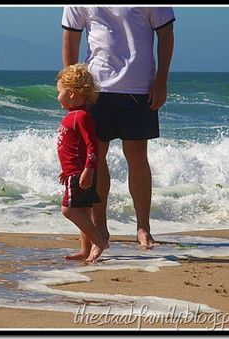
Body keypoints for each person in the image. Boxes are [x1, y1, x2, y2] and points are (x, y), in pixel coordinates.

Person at [61, 7, 175, 248]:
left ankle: (143, 227)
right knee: (96, 157)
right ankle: (100, 227)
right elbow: (71, 34)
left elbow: (166, 33)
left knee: (136, 155)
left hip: (139, 86)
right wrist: (72, 87)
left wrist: (161, 80)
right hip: (96, 87)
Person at [56, 63, 108, 262]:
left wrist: (88, 169)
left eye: (59, 92)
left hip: (80, 174)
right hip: (74, 171)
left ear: (71, 93)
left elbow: (92, 146)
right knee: (84, 212)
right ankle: (85, 251)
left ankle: (99, 240)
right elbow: (71, 148)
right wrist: (65, 170)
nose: (57, 96)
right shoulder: (73, 115)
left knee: (68, 209)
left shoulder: (81, 116)